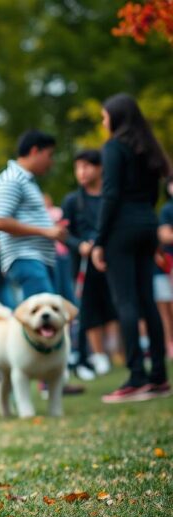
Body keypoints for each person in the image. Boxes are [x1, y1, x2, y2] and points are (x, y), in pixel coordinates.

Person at [91, 93, 171, 402]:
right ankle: (159, 377)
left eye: (104, 116)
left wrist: (99, 240)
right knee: (147, 301)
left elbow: (110, 195)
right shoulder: (148, 149)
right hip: (147, 225)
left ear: (115, 118)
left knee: (125, 302)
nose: (103, 122)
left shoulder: (114, 148)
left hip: (121, 230)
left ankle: (136, 376)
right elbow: (153, 195)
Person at [0, 130, 67, 300]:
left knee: (43, 315)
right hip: (25, 257)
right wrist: (46, 231)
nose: (51, 162)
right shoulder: (11, 179)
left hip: (36, 258)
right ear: (34, 151)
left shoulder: (26, 181)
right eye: (49, 155)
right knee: (41, 316)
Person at [61, 149, 117, 380]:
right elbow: (64, 233)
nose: (82, 172)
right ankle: (98, 354)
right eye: (78, 167)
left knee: (113, 307)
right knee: (89, 310)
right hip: (83, 265)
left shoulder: (110, 196)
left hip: (111, 261)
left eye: (87, 166)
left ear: (100, 168)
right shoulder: (72, 201)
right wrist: (80, 245)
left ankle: (113, 351)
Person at [157, 178, 173, 358]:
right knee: (167, 308)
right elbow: (164, 235)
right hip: (168, 265)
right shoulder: (167, 209)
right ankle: (169, 344)